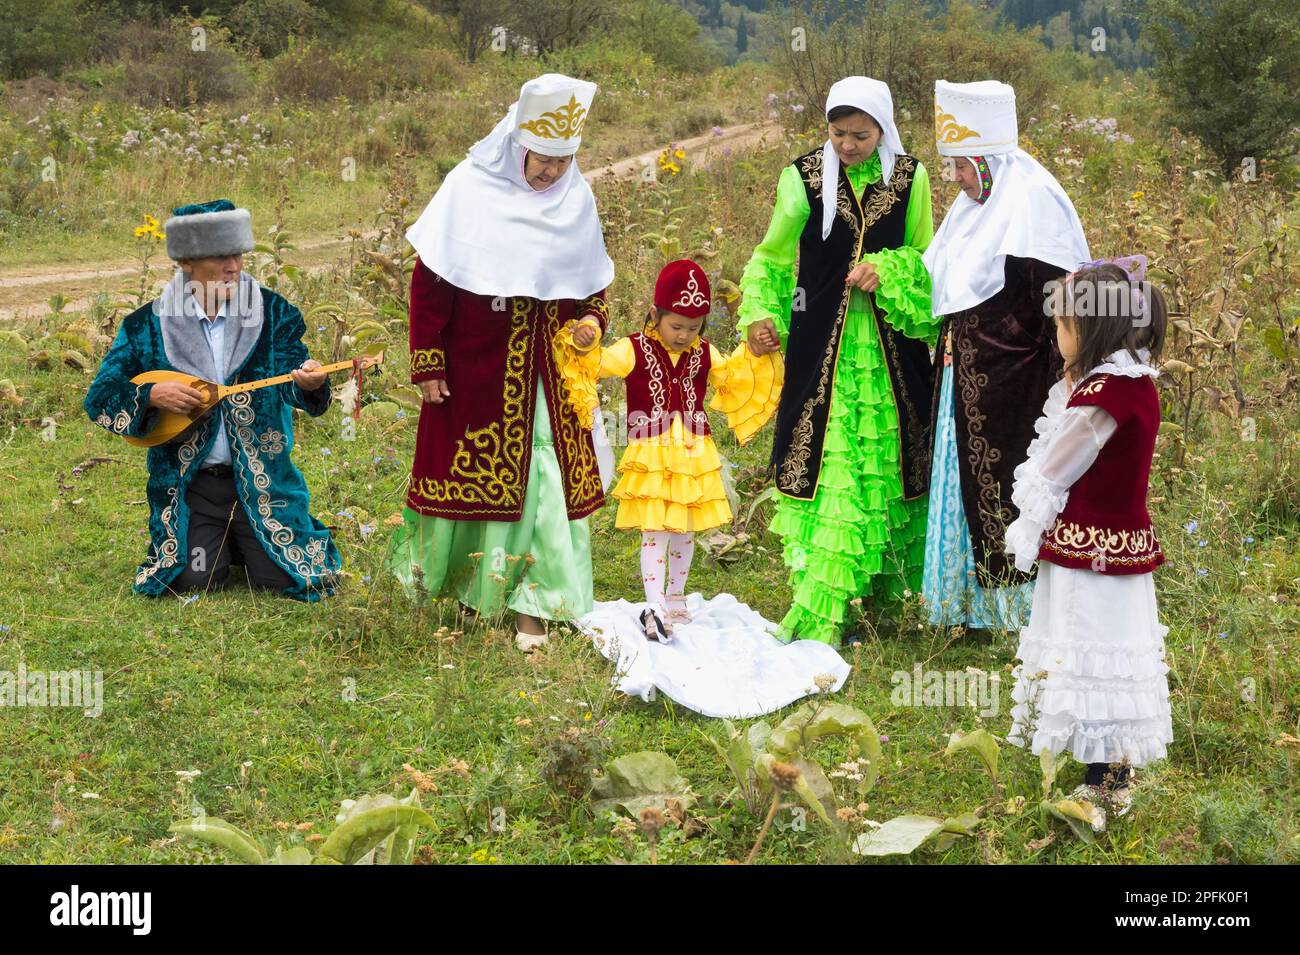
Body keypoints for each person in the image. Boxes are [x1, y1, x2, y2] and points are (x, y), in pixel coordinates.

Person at [387, 74, 614, 653]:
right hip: (476, 367)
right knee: (478, 479)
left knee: (547, 480)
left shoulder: (575, 197)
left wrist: (591, 324)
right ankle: (471, 587)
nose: (553, 174)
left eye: (565, 162)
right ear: (518, 144)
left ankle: (536, 605)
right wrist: (429, 361)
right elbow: (431, 281)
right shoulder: (469, 189)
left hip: (552, 375)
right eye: (544, 160)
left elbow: (591, 283)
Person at [738, 76, 938, 646]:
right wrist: (760, 314)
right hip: (819, 345)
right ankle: (821, 611)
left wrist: (891, 269)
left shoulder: (911, 178)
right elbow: (773, 257)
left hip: (889, 353)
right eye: (838, 133)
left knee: (887, 463)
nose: (847, 145)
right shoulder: (801, 177)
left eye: (860, 135)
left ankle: (883, 596)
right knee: (832, 466)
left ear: (883, 129)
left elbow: (928, 257)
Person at [84, 198, 340, 600]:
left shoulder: (274, 314)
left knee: (291, 579)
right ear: (186, 262)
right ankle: (223, 538)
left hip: (264, 480)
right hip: (194, 487)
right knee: (194, 578)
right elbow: (99, 398)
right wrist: (150, 395)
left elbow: (294, 378)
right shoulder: (145, 327)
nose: (234, 266)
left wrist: (310, 385)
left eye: (237, 254)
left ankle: (253, 539)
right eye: (220, 256)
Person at [1004, 259, 1172, 829]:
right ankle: (1109, 773)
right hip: (1120, 550)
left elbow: (1054, 470)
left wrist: (1024, 525)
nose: (1057, 334)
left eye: (1062, 324)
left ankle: (1106, 785)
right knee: (1114, 655)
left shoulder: (1102, 395)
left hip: (1089, 553)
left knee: (1090, 650)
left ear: (1089, 328)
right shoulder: (1135, 383)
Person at [921, 79, 1092, 633]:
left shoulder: (1033, 204)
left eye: (963, 167)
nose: (956, 180)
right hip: (967, 377)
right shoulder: (974, 207)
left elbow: (1056, 305)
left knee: (1011, 484)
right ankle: (961, 606)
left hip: (1016, 383)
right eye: (951, 168)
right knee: (966, 481)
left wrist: (1006, 346)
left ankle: (1011, 614)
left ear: (991, 160)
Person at [556, 259, 781, 634]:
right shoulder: (634, 348)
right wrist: (585, 340)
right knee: (654, 530)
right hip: (651, 457)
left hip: (694, 455)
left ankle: (676, 596)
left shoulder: (705, 353)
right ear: (654, 314)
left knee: (685, 529)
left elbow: (733, 376)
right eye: (676, 326)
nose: (683, 335)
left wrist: (755, 350)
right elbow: (601, 363)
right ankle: (653, 603)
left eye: (693, 328)